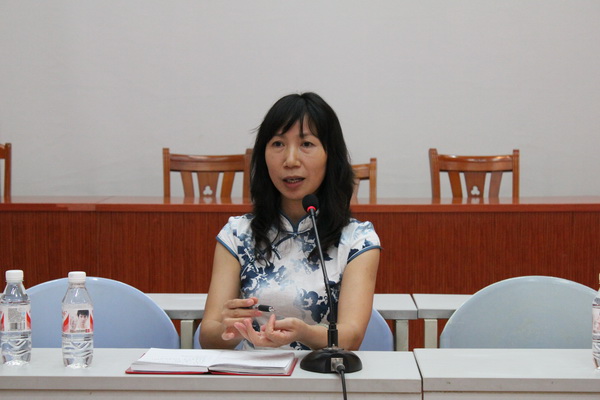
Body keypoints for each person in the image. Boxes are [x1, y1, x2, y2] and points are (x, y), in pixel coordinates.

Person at [200, 92, 380, 351]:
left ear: (330, 155)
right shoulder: (237, 234)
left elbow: (351, 337)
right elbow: (208, 336)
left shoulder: (358, 240)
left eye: (306, 144)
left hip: (321, 373)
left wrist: (304, 333)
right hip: (252, 374)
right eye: (278, 144)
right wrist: (229, 329)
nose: (291, 160)